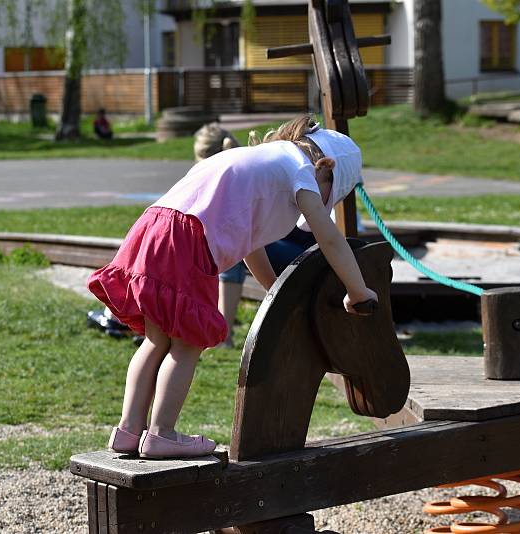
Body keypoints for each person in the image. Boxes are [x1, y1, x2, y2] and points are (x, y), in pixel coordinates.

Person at [87, 115, 378, 459]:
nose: (322, 200)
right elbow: (328, 237)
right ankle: (161, 433)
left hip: (154, 226)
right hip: (188, 238)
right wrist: (358, 291)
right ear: (324, 168)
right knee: (185, 346)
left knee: (156, 340)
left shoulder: (259, 165)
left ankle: (128, 429)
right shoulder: (300, 167)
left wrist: (275, 291)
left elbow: (248, 246)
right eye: (330, 193)